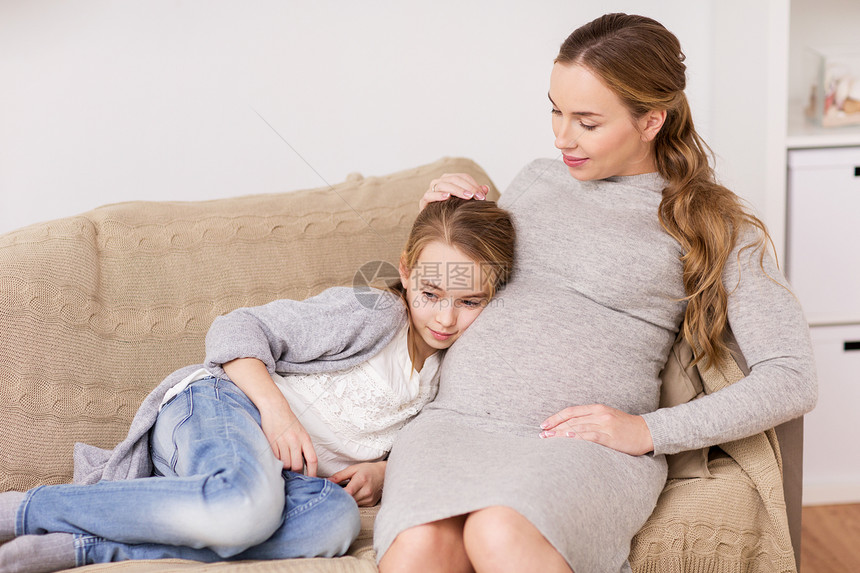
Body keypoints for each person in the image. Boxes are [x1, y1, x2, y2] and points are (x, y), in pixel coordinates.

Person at [375, 13, 817, 573]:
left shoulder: (715, 224)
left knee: (499, 530)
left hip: (580, 448)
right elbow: (470, 292)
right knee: (420, 545)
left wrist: (647, 431)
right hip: (454, 424)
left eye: (586, 121)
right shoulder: (536, 180)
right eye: (555, 111)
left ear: (651, 120)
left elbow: (792, 378)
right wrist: (441, 224)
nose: (562, 138)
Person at [0, 198, 515, 571]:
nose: (446, 317)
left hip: (287, 477)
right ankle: (25, 510)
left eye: (470, 301)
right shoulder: (375, 312)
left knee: (334, 526)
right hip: (223, 406)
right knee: (245, 506)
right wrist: (277, 411)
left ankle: (80, 548)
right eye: (431, 292)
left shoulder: (456, 376)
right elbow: (236, 328)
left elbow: (433, 447)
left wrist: (381, 473)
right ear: (405, 273)